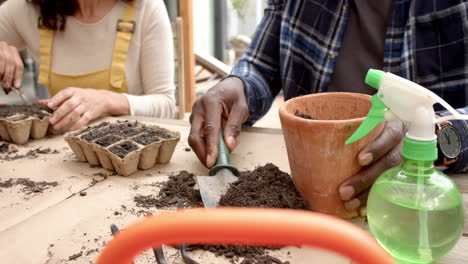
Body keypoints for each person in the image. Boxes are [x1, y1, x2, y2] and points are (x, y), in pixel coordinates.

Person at [189, 0, 468, 213]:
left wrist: (430, 138)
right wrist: (239, 84)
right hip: (305, 201)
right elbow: (262, 66)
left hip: (417, 206)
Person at [0, 0, 175, 131]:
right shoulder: (26, 8)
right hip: (57, 157)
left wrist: (106, 100)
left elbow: (165, 105)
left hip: (129, 154)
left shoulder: (146, 7)